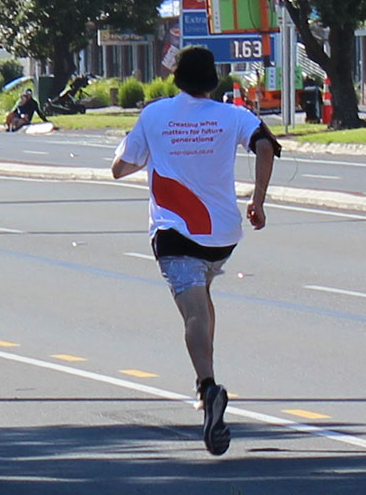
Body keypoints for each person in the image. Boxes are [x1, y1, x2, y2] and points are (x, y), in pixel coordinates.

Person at [110, 46, 279, 457]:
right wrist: (258, 199)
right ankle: (209, 377)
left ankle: (207, 388)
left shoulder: (154, 115)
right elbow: (265, 145)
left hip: (174, 231)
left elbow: (120, 167)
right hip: (221, 234)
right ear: (213, 81)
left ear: (176, 79)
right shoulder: (232, 115)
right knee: (203, 297)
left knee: (193, 312)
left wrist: (137, 151)